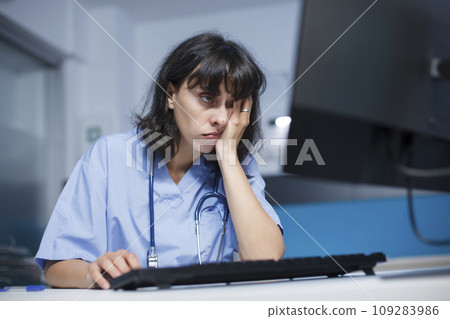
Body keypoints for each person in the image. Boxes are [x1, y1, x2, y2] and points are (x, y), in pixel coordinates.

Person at [35, 32, 284, 290]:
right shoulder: (110, 155)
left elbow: (266, 261)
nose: (221, 118)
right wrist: (91, 273)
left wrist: (228, 157)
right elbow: (56, 267)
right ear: (171, 94)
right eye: (207, 98)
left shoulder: (237, 168)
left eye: (232, 105)